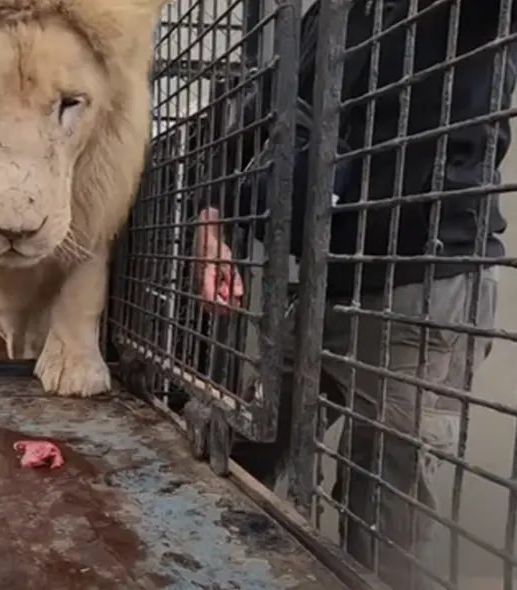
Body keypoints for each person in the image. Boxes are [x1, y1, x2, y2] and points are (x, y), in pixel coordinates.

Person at [193, 0, 512, 588]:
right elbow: (258, 116)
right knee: (245, 447)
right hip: (328, 283)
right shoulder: (327, 16)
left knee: (379, 516)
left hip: (424, 276)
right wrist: (212, 226)